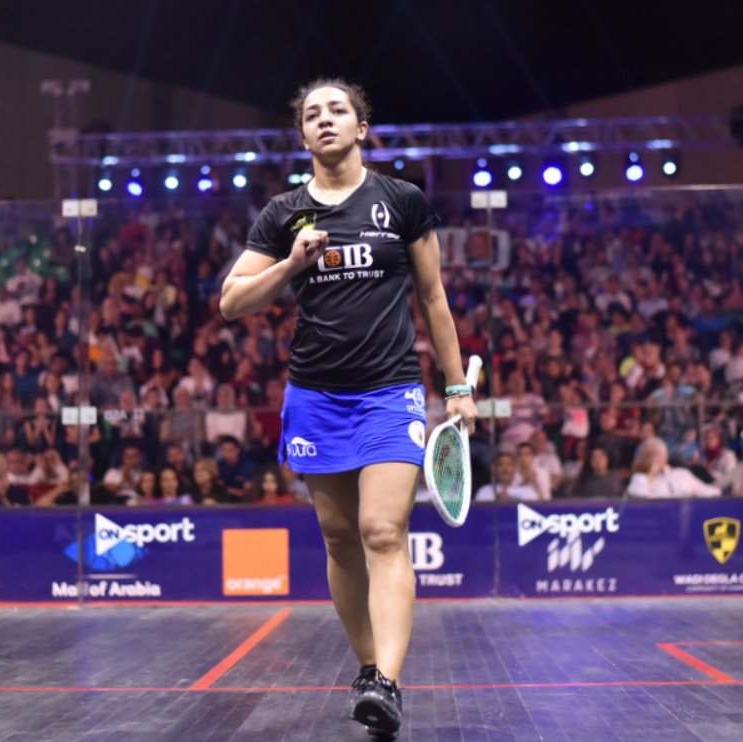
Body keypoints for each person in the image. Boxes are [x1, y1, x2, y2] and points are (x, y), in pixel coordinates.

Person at [219, 78, 477, 738]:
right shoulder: (284, 214)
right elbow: (231, 301)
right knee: (339, 539)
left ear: (362, 127)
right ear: (302, 134)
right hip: (314, 397)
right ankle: (369, 671)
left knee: (382, 532)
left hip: (390, 392)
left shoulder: (402, 201)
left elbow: (434, 298)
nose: (325, 119)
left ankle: (387, 680)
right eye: (313, 114)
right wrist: (290, 265)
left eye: (338, 110)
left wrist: (457, 388)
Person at [626, 437, 721, 498]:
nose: (657, 459)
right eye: (652, 455)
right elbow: (642, 503)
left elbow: (705, 491)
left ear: (665, 456)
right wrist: (651, 474)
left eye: (659, 454)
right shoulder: (639, 479)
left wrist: (720, 493)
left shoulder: (681, 474)